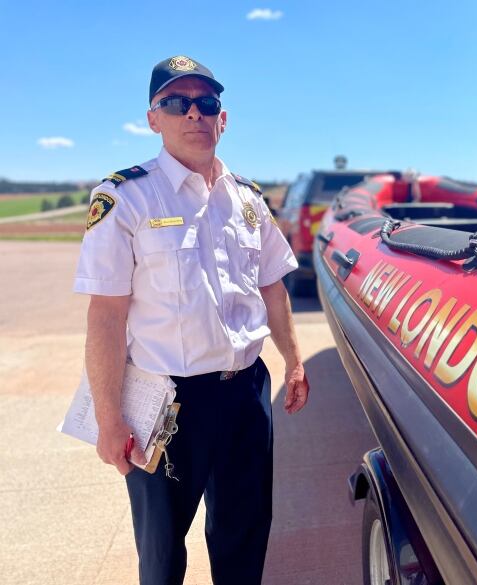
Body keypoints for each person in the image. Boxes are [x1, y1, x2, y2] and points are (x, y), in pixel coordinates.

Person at [73, 55, 310, 584]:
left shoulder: (247, 200)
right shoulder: (125, 196)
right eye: (176, 103)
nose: (194, 115)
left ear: (222, 119)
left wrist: (293, 359)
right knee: (161, 554)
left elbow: (271, 284)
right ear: (154, 118)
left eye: (206, 104)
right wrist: (110, 419)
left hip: (246, 395)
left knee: (244, 538)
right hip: (167, 405)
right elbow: (107, 316)